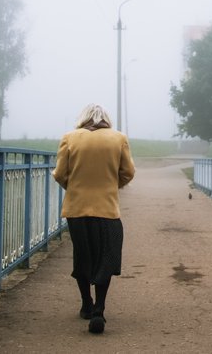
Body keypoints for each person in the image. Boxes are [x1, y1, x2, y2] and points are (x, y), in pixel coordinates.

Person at [53, 104, 136, 334]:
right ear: (105, 119)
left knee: (83, 255)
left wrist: (73, 188)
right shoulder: (118, 138)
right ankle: (99, 308)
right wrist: (112, 186)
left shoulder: (69, 138)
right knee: (106, 257)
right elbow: (128, 172)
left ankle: (86, 304)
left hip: (76, 210)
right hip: (107, 210)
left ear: (83, 118)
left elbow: (59, 174)